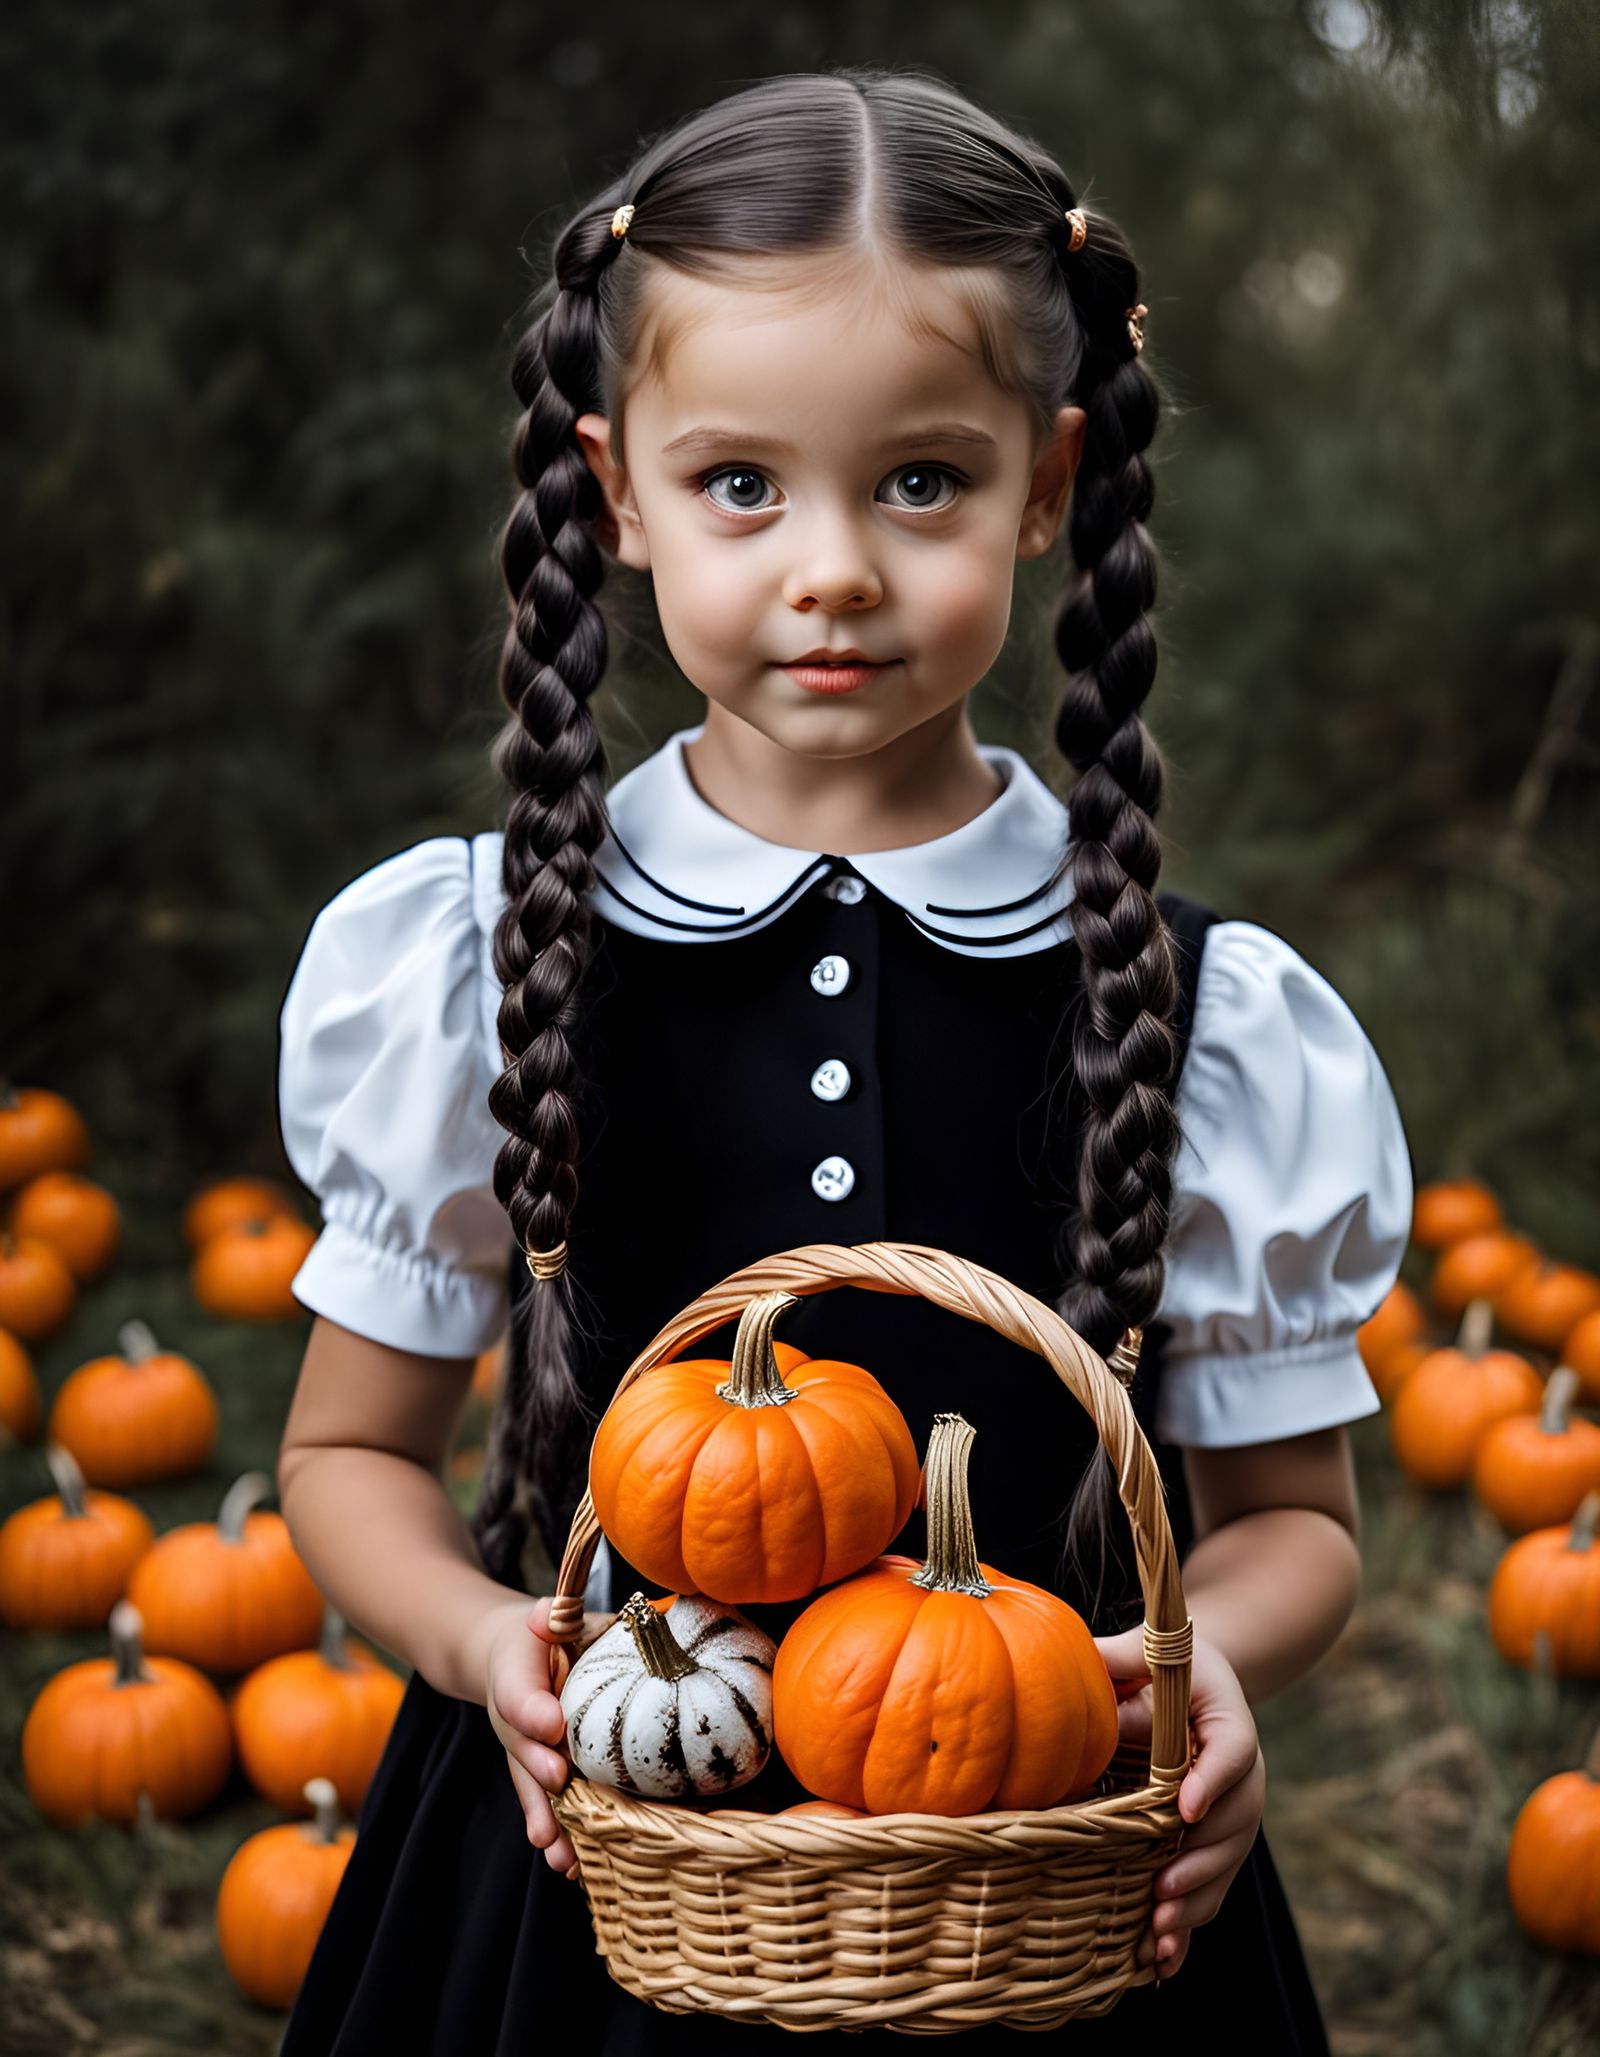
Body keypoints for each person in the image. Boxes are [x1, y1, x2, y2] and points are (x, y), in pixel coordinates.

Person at [271, 66, 1412, 2056]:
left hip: (1053, 1865)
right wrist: (486, 1647)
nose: (829, 570)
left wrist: (1192, 1666)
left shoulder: (1201, 1008)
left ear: (1044, 485)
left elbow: (1292, 1522)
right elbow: (346, 1455)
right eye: (740, 484)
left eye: (918, 482)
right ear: (613, 489)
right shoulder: (473, 956)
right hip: (590, 1876)